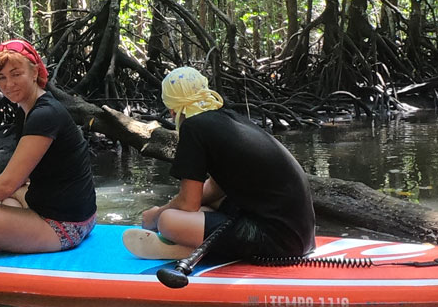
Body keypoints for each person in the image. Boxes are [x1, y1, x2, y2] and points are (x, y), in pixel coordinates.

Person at [127, 66, 315, 262]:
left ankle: (183, 250)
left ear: (172, 110)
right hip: (300, 236)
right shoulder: (227, 117)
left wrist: (156, 216)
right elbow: (215, 189)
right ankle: (193, 238)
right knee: (206, 203)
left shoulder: (193, 127)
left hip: (280, 243)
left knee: (168, 221)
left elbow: (188, 204)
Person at [0, 39, 97, 252]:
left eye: (16, 74)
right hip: (80, 216)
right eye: (1, 77)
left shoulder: (44, 114)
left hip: (65, 227)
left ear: (34, 73)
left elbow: (6, 184)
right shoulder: (27, 110)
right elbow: (19, 182)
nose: (8, 84)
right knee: (7, 197)